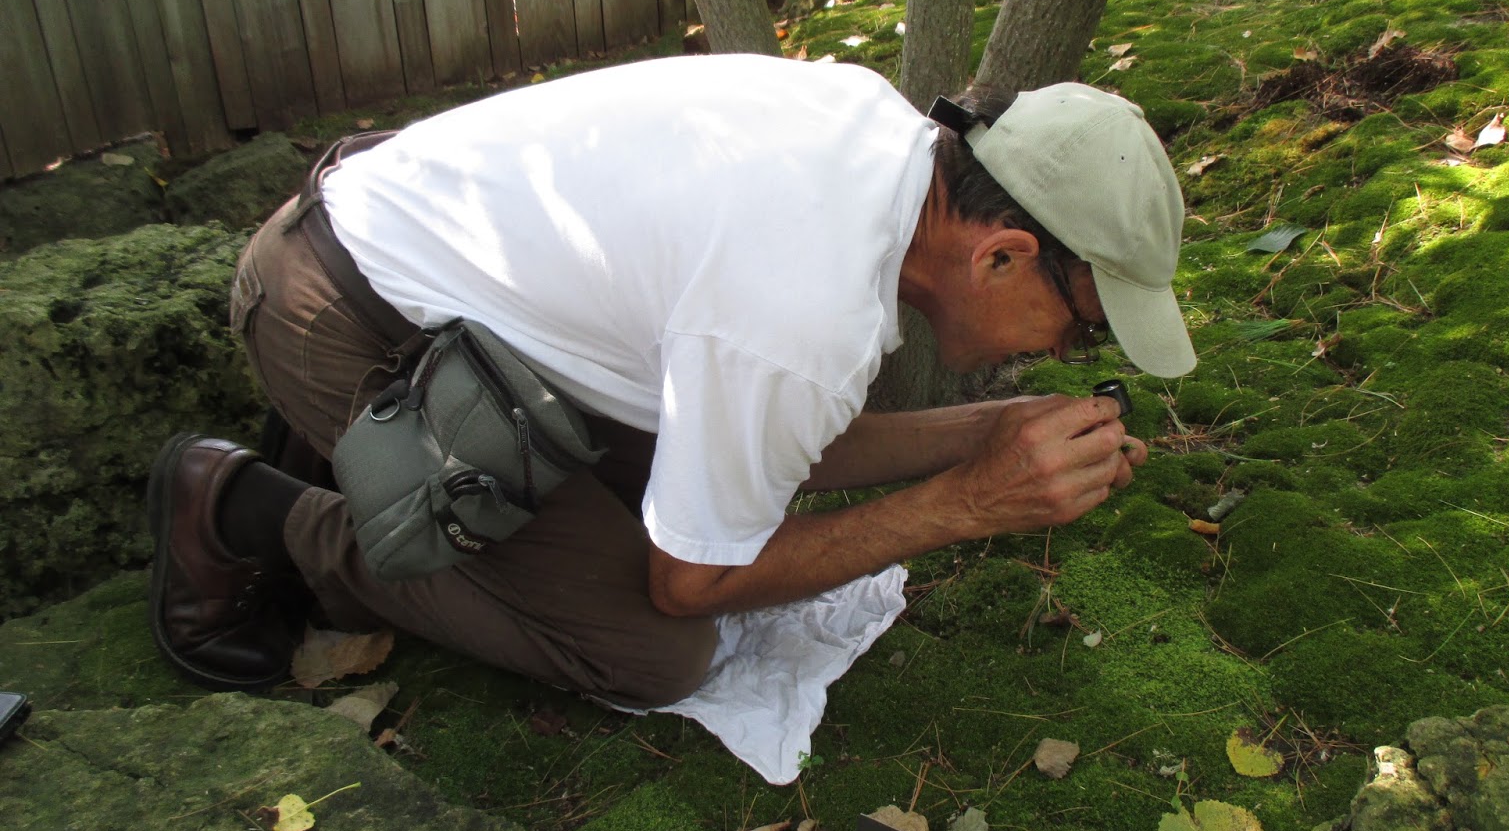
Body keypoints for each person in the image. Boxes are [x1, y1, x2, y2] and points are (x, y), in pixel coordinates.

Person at [146, 53, 1195, 706]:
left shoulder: (870, 137)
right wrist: (968, 502)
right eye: (1081, 327)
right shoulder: (805, 307)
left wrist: (988, 429)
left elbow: (782, 428)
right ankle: (250, 509)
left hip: (436, 287)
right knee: (653, 654)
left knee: (672, 498)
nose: (1066, 355)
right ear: (1004, 254)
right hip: (341, 310)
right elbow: (689, 583)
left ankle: (343, 445)